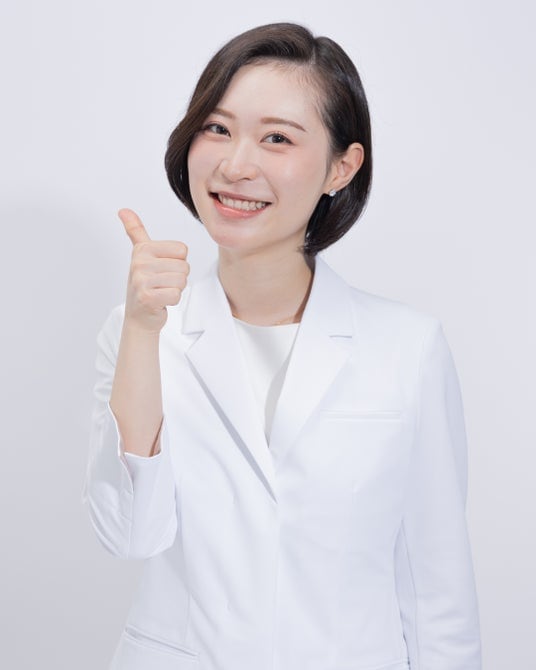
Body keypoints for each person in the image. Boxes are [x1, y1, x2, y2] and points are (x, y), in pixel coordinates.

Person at [85, 22, 482, 670]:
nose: (236, 165)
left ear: (341, 167)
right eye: (217, 128)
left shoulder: (408, 348)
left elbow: (436, 592)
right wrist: (142, 329)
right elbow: (130, 533)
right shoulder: (140, 331)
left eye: (277, 138)